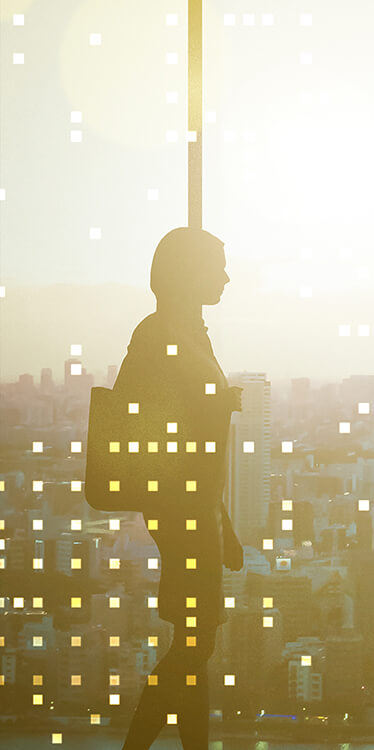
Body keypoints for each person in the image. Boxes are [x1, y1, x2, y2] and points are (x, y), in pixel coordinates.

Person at [117, 227, 244, 750]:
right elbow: (135, 418)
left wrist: (226, 525)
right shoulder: (159, 334)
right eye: (216, 265)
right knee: (195, 646)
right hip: (181, 508)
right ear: (188, 272)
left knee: (197, 645)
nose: (226, 276)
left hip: (199, 507)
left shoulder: (192, 335)